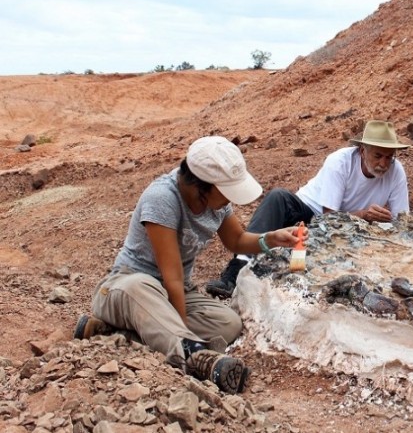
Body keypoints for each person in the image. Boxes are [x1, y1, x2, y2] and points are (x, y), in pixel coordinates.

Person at [73, 136, 306, 394]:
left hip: (176, 292)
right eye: (225, 191)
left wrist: (271, 239)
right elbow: (170, 275)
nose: (229, 199)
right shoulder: (162, 198)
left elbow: (237, 240)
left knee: (228, 323)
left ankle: (116, 334)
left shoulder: (216, 204)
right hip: (126, 287)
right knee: (140, 288)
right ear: (202, 186)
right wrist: (182, 329)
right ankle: (194, 356)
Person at [205, 119, 411, 298]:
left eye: (389, 157)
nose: (384, 163)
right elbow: (329, 216)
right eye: (378, 156)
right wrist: (364, 215)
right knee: (278, 198)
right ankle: (235, 272)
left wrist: (385, 223)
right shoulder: (340, 162)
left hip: (354, 228)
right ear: (362, 150)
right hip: (309, 212)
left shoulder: (396, 171)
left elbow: (403, 220)